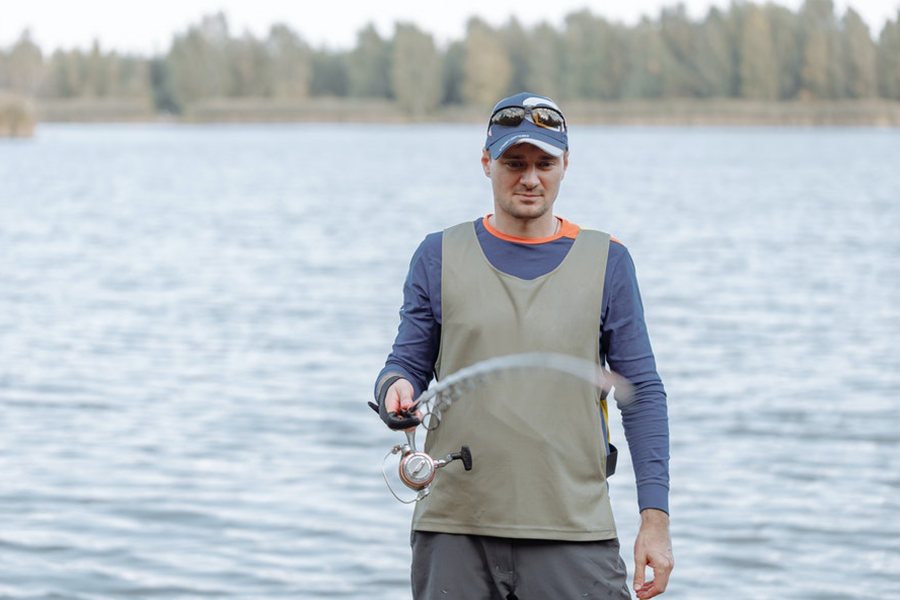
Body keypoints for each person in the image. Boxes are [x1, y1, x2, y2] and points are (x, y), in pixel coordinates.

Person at [372, 92, 672, 600]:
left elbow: (641, 395)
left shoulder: (609, 261)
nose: (530, 178)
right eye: (514, 162)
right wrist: (394, 391)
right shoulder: (437, 255)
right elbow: (405, 364)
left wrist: (655, 521)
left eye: (544, 163)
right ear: (487, 163)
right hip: (454, 532)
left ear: (565, 165)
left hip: (573, 532)